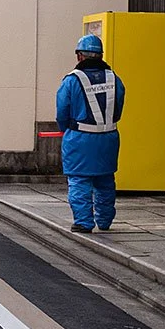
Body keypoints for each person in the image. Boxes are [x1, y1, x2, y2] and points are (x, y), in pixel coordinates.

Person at [56, 32, 126, 234]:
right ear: (100, 55)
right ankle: (104, 221)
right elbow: (119, 108)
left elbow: (62, 111)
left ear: (80, 55)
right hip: (109, 136)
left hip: (79, 138)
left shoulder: (71, 80)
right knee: (105, 180)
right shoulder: (115, 79)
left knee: (79, 180)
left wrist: (65, 130)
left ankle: (84, 222)